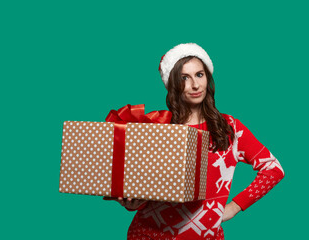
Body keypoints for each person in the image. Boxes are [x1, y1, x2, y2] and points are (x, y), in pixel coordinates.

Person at [104, 43, 285, 240]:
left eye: (199, 75)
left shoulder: (230, 128)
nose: (195, 85)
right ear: (173, 84)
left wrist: (234, 207)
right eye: (184, 78)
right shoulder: (159, 126)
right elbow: (144, 185)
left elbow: (273, 169)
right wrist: (134, 203)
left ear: (208, 77)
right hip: (149, 234)